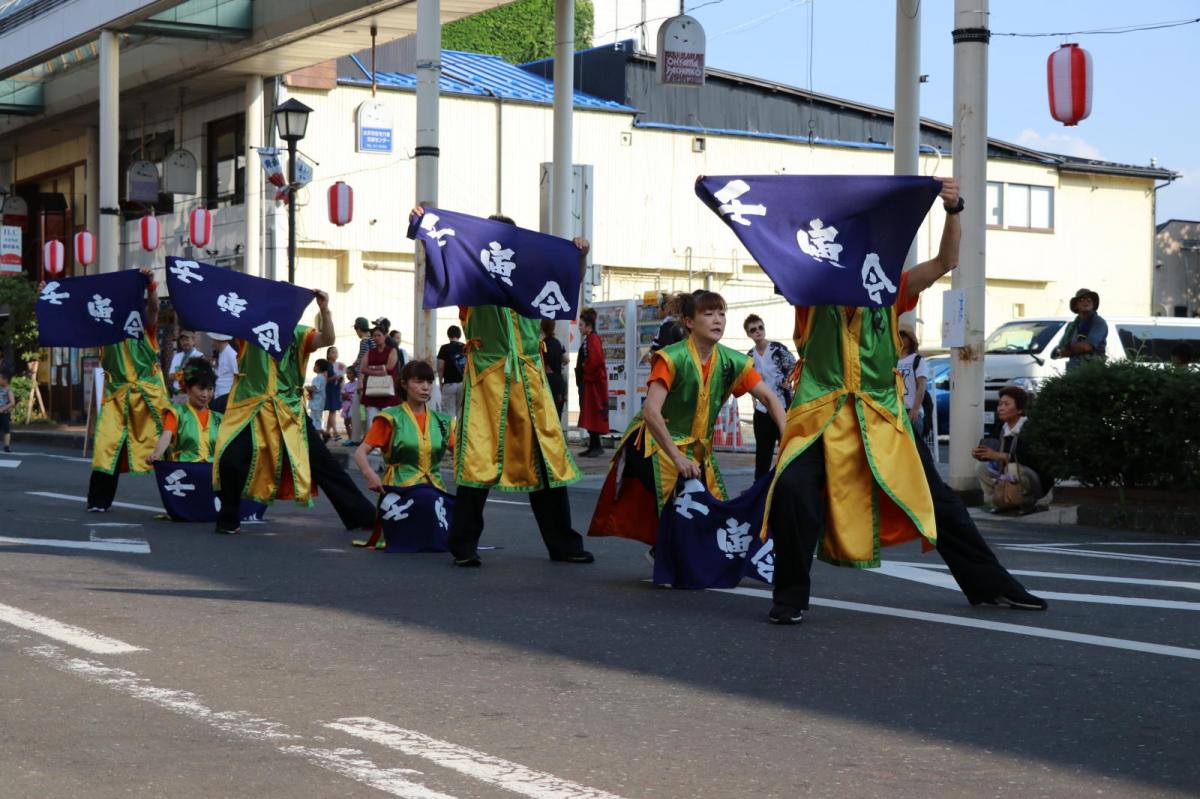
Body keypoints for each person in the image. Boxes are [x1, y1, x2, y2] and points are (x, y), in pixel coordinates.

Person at [765, 178, 1047, 625]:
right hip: (821, 415)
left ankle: (993, 586)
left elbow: (945, 262)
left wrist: (953, 210)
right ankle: (789, 597)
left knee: (942, 503)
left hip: (882, 417)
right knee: (794, 493)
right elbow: (775, 247)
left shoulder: (888, 288)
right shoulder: (811, 291)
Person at [412, 206, 594, 567]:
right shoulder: (471, 279)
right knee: (478, 461)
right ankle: (463, 545)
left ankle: (564, 544)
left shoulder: (532, 278)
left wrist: (580, 257)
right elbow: (442, 261)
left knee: (546, 462)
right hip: (487, 382)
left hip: (530, 380)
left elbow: (567, 285)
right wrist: (423, 228)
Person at [589, 291, 787, 548]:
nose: (718, 320)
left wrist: (787, 440)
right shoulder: (672, 357)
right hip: (653, 444)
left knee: (713, 513)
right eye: (709, 314)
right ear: (689, 322)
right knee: (684, 507)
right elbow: (651, 411)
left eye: (721, 314)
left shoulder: (732, 361)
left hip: (696, 448)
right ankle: (670, 554)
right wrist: (677, 457)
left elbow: (771, 399)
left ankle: (670, 554)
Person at [213, 289, 376, 535]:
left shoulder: (300, 333)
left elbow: (327, 338)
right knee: (230, 460)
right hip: (252, 409)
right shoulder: (248, 329)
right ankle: (228, 518)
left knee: (325, 465)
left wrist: (325, 310)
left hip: (289, 413)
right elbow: (220, 321)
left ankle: (363, 516)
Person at [85, 268, 171, 512]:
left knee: (165, 448)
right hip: (117, 397)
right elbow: (76, 319)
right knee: (106, 447)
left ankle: (180, 498)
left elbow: (154, 309)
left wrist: (152, 286)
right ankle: (97, 501)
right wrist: (51, 295)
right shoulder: (104, 333)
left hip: (148, 398)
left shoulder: (145, 329)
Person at [353, 360, 452, 493]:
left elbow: (463, 458)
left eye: (429, 382)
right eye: (419, 381)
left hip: (435, 495)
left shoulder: (443, 421)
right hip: (399, 495)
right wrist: (370, 474)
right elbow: (360, 452)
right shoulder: (390, 418)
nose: (426, 387)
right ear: (404, 384)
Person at [973, 385, 1048, 513]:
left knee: (1012, 468)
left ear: (1019, 409)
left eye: (1006, 404)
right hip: (1006, 473)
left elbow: (1029, 458)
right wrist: (981, 453)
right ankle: (999, 501)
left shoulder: (1028, 428)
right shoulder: (1001, 427)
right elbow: (992, 449)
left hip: (1033, 479)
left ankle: (1026, 501)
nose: (1001, 408)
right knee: (981, 467)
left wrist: (1000, 456)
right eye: (1000, 404)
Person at [744, 314, 796, 480]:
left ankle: (786, 486)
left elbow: (794, 366)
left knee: (788, 450)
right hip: (763, 409)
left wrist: (788, 382)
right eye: (753, 330)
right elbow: (747, 379)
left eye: (760, 327)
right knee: (762, 453)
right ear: (748, 334)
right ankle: (759, 489)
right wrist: (753, 399)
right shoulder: (749, 356)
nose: (758, 332)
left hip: (783, 406)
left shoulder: (778, 348)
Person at [146, 357, 220, 463]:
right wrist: (156, 454)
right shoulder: (177, 413)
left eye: (210, 389)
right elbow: (166, 436)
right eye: (201, 388)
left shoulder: (219, 418)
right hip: (184, 472)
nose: (205, 395)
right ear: (188, 388)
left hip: (211, 474)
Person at [575, 308, 609, 457]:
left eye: (581, 324)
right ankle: (593, 445)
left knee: (592, 413)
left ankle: (596, 445)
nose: (579, 327)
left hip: (592, 384)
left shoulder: (592, 339)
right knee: (590, 413)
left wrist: (584, 368)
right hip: (590, 382)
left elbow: (596, 361)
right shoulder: (590, 338)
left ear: (588, 325)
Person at [1052, 288, 1107, 372]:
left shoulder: (1098, 322)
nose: (1086, 302)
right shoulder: (1071, 326)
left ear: (1093, 304)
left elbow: (1087, 347)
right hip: (1073, 372)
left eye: (1089, 300)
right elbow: (1061, 352)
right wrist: (1072, 348)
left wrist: (1069, 347)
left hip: (1093, 372)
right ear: (1076, 305)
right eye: (1082, 300)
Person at [359, 325, 401, 425]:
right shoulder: (370, 352)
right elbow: (363, 368)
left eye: (379, 335)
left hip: (388, 392)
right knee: (371, 423)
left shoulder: (392, 350)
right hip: (372, 392)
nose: (376, 338)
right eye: (374, 336)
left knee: (388, 424)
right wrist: (379, 370)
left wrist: (372, 368)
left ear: (385, 336)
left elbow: (390, 367)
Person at [896, 321, 931, 438]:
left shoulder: (917, 360)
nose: (901, 338)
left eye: (904, 335)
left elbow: (921, 386)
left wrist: (915, 409)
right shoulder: (892, 359)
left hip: (911, 412)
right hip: (895, 412)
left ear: (911, 339)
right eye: (898, 335)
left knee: (915, 451)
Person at [349, 316, 373, 444]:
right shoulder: (372, 339)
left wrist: (360, 382)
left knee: (362, 410)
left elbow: (364, 360)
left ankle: (365, 436)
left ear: (358, 329)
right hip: (373, 379)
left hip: (364, 380)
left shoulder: (364, 341)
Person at [540, 320, 569, 420]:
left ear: (542, 328)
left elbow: (543, 364)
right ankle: (559, 434)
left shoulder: (542, 344)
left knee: (548, 413)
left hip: (548, 381)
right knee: (558, 412)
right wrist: (559, 362)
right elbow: (567, 360)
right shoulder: (559, 343)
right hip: (558, 381)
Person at [437, 325, 466, 418]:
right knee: (461, 413)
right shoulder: (465, 348)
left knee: (448, 414)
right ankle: (458, 432)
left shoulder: (444, 348)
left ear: (448, 335)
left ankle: (450, 432)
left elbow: (440, 367)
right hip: (463, 384)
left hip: (449, 384)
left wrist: (441, 382)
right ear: (459, 335)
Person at [168, 331, 204, 399]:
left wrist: (179, 374)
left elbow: (198, 377)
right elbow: (170, 376)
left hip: (192, 395)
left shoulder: (200, 356)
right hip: (177, 394)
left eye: (187, 340)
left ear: (193, 341)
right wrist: (186, 374)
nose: (184, 342)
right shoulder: (177, 356)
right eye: (182, 340)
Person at [210, 333, 237, 413]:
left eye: (214, 340)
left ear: (218, 341)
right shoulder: (221, 353)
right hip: (218, 394)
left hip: (226, 395)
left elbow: (237, 375)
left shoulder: (231, 354)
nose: (212, 343)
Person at [323, 346, 344, 440]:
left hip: (335, 389)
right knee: (332, 411)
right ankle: (335, 432)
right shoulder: (327, 365)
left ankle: (327, 432)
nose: (335, 354)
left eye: (336, 352)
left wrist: (340, 379)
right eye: (333, 352)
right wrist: (334, 377)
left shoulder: (339, 365)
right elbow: (323, 379)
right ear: (328, 355)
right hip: (329, 389)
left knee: (333, 411)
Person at [309, 358, 330, 431]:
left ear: (319, 367)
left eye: (315, 365)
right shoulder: (322, 378)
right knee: (317, 421)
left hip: (316, 404)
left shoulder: (318, 378)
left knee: (315, 422)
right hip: (319, 403)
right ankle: (324, 435)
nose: (314, 367)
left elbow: (314, 388)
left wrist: (306, 388)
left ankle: (319, 438)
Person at [341, 365, 358, 439]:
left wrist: (349, 396)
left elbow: (356, 395)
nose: (348, 375)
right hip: (346, 406)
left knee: (353, 422)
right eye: (347, 373)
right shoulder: (345, 385)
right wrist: (344, 396)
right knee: (346, 423)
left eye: (350, 373)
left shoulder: (357, 384)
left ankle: (354, 438)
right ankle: (350, 438)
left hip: (353, 406)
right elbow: (342, 395)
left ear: (355, 374)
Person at [0, 370, 13, 453]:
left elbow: (12, 402)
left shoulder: (9, 390)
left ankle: (6, 446)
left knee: (6, 429)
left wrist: (2, 409)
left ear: (5, 380)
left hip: (5, 413)